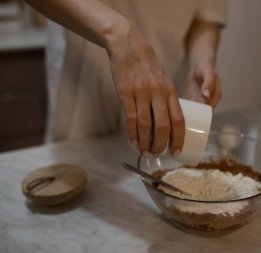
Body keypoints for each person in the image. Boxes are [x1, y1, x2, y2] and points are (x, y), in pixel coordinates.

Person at [25, 0, 226, 157]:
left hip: (166, 82)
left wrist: (203, 58)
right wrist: (117, 32)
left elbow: (206, 14)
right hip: (84, 76)